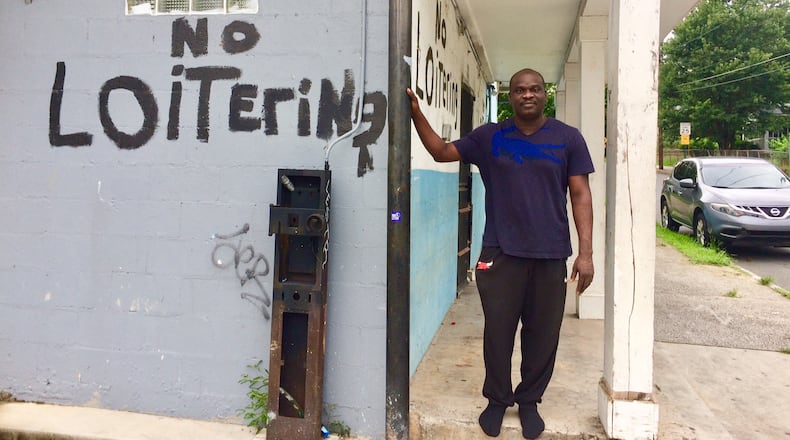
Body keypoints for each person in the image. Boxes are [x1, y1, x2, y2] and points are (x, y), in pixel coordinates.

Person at [406, 68, 594, 439]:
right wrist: (415, 111)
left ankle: (528, 401)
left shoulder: (568, 138)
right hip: (501, 251)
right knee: (499, 331)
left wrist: (585, 253)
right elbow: (441, 152)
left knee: (543, 334)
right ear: (510, 96)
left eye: (535, 89)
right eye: (520, 90)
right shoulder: (490, 137)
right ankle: (496, 399)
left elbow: (581, 195)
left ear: (545, 94)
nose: (528, 95)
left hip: (550, 252)